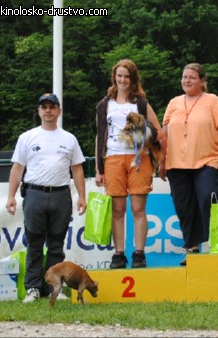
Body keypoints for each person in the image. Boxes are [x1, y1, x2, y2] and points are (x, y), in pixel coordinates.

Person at [6, 93, 87, 303]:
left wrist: (82, 197)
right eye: (44, 107)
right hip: (34, 194)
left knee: (56, 245)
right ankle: (32, 288)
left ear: (59, 111)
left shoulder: (69, 138)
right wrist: (11, 196)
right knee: (34, 243)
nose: (48, 110)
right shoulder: (27, 137)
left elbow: (77, 169)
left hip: (61, 195)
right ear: (39, 111)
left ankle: (54, 288)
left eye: (52, 107)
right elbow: (17, 168)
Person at [160, 63, 218, 266]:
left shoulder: (212, 100)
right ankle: (192, 249)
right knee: (184, 206)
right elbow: (164, 134)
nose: (187, 81)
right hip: (176, 163)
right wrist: (162, 161)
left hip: (208, 159)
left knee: (209, 196)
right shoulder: (173, 102)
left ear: (202, 81)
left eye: (192, 77)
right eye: (184, 77)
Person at [95, 59, 163, 269]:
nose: (123, 80)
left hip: (138, 158)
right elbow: (100, 135)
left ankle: (139, 253)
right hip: (113, 158)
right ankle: (118, 253)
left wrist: (146, 143)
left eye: (127, 76)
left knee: (138, 208)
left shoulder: (140, 103)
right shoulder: (105, 104)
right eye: (119, 76)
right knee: (117, 209)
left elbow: (158, 131)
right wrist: (99, 168)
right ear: (114, 77)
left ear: (133, 79)